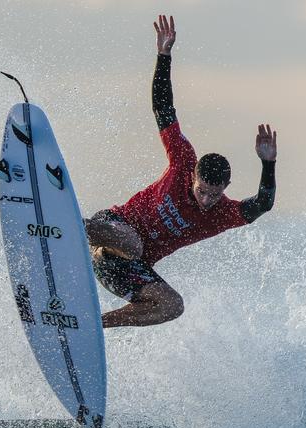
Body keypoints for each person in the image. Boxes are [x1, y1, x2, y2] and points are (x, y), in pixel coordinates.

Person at [84, 15, 277, 328]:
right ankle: (68, 226)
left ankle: (91, 325)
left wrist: (268, 164)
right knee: (132, 242)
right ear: (193, 178)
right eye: (203, 191)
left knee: (173, 306)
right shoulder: (183, 161)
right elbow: (163, 108)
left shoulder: (222, 213)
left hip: (125, 267)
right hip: (110, 229)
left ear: (226, 187)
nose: (207, 200)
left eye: (215, 194)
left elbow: (263, 204)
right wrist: (164, 56)